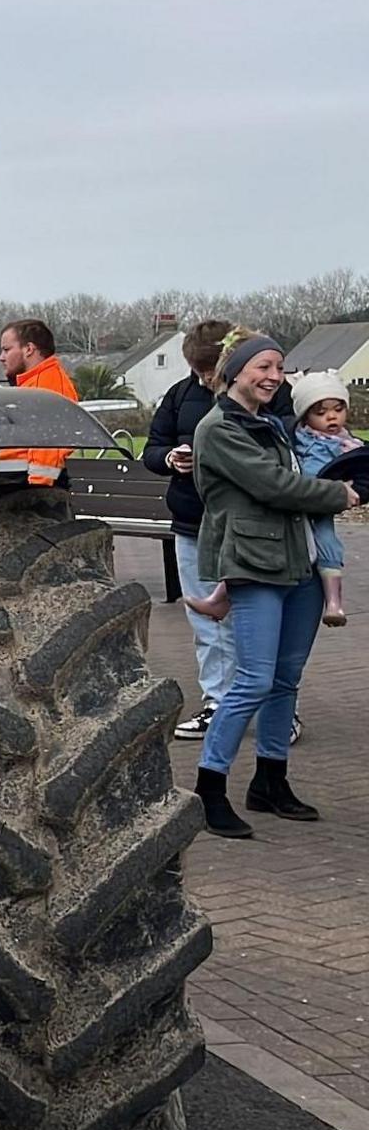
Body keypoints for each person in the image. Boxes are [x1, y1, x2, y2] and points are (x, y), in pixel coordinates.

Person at [187, 332, 359, 837]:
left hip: (299, 564)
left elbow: (298, 475)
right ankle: (209, 790)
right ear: (236, 371)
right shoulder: (218, 428)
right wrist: (339, 493)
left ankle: (269, 781)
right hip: (254, 564)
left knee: (286, 680)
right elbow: (273, 485)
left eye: (279, 369)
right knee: (253, 681)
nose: (271, 377)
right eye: (262, 366)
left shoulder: (270, 426)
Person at [145, 319, 236, 740]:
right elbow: (152, 448)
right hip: (191, 521)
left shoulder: (261, 391)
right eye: (198, 369)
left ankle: (273, 707)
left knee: (252, 618)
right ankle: (217, 700)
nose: (204, 377)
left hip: (242, 525)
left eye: (210, 368)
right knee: (202, 617)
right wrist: (170, 459)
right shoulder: (180, 394)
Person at [289, 369, 358, 626]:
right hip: (302, 501)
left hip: (321, 508)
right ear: (305, 416)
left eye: (338, 410)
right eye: (321, 412)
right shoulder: (302, 440)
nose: (331, 417)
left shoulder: (346, 444)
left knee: (328, 544)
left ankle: (334, 602)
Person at [0, 318, 82, 485]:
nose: (1, 358)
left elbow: (49, 447)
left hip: (25, 488)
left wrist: (38, 494)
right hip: (13, 484)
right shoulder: (35, 384)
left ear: (29, 349)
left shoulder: (49, 388)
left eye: (6, 350)